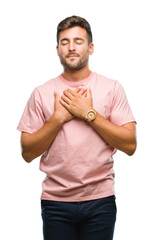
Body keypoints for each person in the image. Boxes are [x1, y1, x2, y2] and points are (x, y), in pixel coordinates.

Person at [17, 15, 137, 240]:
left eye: (78, 41)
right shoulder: (41, 92)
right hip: (55, 203)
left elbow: (130, 145)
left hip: (100, 201)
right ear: (57, 49)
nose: (71, 47)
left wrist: (89, 114)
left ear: (90, 48)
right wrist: (57, 119)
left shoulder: (111, 88)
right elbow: (27, 153)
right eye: (65, 42)